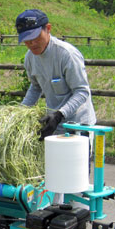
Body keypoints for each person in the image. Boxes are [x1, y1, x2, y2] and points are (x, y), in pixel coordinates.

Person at [15, 9, 96, 140]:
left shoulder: (66, 54)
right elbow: (35, 87)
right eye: (27, 40)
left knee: (76, 160)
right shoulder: (30, 58)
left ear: (48, 28)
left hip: (79, 126)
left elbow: (82, 91)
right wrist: (20, 113)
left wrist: (59, 115)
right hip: (54, 126)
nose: (32, 43)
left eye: (35, 37)